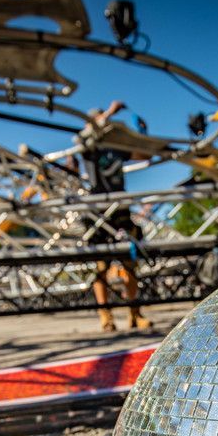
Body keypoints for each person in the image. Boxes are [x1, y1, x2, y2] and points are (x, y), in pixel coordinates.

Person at [78, 100, 151, 332]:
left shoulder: (115, 147)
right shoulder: (89, 146)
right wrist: (109, 112)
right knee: (101, 266)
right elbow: (85, 135)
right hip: (98, 210)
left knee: (129, 263)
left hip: (119, 208)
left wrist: (143, 134)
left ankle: (134, 313)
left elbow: (144, 156)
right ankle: (105, 316)